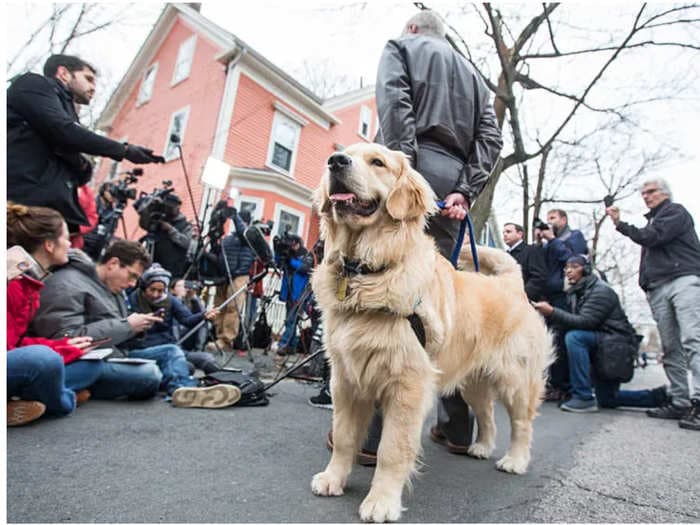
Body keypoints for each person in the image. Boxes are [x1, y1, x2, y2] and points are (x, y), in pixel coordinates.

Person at [359, 9, 502, 460]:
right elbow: (491, 139)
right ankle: (456, 426)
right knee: (438, 300)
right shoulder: (477, 79)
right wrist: (464, 189)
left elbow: (394, 101)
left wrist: (402, 172)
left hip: (408, 176)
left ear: (414, 29)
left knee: (388, 296)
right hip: (452, 191)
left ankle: (370, 434)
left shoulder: (400, 46)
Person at [30, 240, 240, 409]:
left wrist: (138, 327)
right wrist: (128, 325)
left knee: (171, 351)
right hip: (87, 362)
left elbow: (116, 328)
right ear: (113, 264)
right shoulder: (68, 283)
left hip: (113, 354)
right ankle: (176, 381)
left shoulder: (114, 289)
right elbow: (63, 337)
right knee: (149, 374)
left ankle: (182, 389)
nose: (132, 284)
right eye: (132, 276)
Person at [7, 54, 163, 233]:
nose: (93, 87)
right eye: (88, 79)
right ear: (64, 73)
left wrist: (83, 165)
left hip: (46, 212)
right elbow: (63, 131)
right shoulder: (34, 85)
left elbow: (70, 145)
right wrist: (123, 150)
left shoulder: (66, 111)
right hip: (18, 202)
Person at [606, 178, 700, 431]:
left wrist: (620, 225)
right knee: (671, 347)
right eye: (643, 193)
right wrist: (646, 285)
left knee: (693, 339)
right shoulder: (654, 220)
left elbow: (653, 237)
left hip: (683, 280)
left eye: (651, 192)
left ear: (664, 193)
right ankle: (680, 401)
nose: (646, 196)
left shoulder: (674, 212)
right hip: (659, 286)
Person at [7, 203, 104, 425]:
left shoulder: (31, 282)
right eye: (66, 238)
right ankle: (63, 400)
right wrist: (56, 351)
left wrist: (66, 346)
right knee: (45, 360)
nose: (70, 244)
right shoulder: (13, 283)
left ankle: (24, 402)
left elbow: (17, 341)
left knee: (91, 366)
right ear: (49, 244)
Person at [533, 255, 669, 413]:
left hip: (615, 345)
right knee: (607, 399)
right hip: (603, 344)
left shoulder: (601, 291)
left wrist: (552, 312)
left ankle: (583, 397)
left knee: (575, 337)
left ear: (586, 269)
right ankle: (659, 397)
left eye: (574, 266)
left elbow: (585, 322)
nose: (568, 271)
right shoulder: (576, 292)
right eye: (566, 268)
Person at [534, 208, 589, 401]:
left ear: (564, 220)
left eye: (553, 218)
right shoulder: (549, 243)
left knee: (560, 339)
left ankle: (563, 386)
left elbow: (573, 260)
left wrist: (553, 240)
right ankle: (551, 383)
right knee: (549, 340)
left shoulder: (574, 236)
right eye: (547, 219)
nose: (549, 222)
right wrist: (540, 243)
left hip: (564, 296)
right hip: (547, 297)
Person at [126, 264, 220, 375]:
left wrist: (203, 315)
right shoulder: (132, 300)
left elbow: (187, 319)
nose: (156, 294)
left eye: (160, 291)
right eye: (152, 290)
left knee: (207, 360)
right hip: (144, 349)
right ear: (144, 287)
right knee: (187, 367)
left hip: (170, 347)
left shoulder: (170, 300)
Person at [213, 210, 255, 352]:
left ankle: (227, 339)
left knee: (233, 307)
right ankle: (218, 335)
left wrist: (236, 217)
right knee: (219, 306)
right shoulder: (228, 239)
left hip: (240, 275)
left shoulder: (249, 237)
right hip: (224, 275)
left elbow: (243, 232)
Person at [275, 234, 313, 356]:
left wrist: (290, 261)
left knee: (291, 320)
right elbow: (278, 264)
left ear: (297, 243)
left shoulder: (306, 254)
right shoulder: (288, 255)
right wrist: (278, 250)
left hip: (300, 293)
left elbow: (305, 268)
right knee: (291, 321)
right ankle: (292, 347)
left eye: (292, 243)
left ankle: (283, 345)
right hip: (289, 292)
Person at [149, 193, 194, 279]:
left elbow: (187, 243)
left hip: (172, 269)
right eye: (166, 207)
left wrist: (171, 230)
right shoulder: (159, 219)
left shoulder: (185, 225)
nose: (168, 210)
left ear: (178, 207)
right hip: (155, 264)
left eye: (171, 207)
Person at [502, 222, 548, 301]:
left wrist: (523, 295)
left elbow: (539, 276)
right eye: (503, 233)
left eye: (508, 232)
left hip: (526, 301)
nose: (505, 235)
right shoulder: (505, 255)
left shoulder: (532, 250)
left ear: (519, 234)